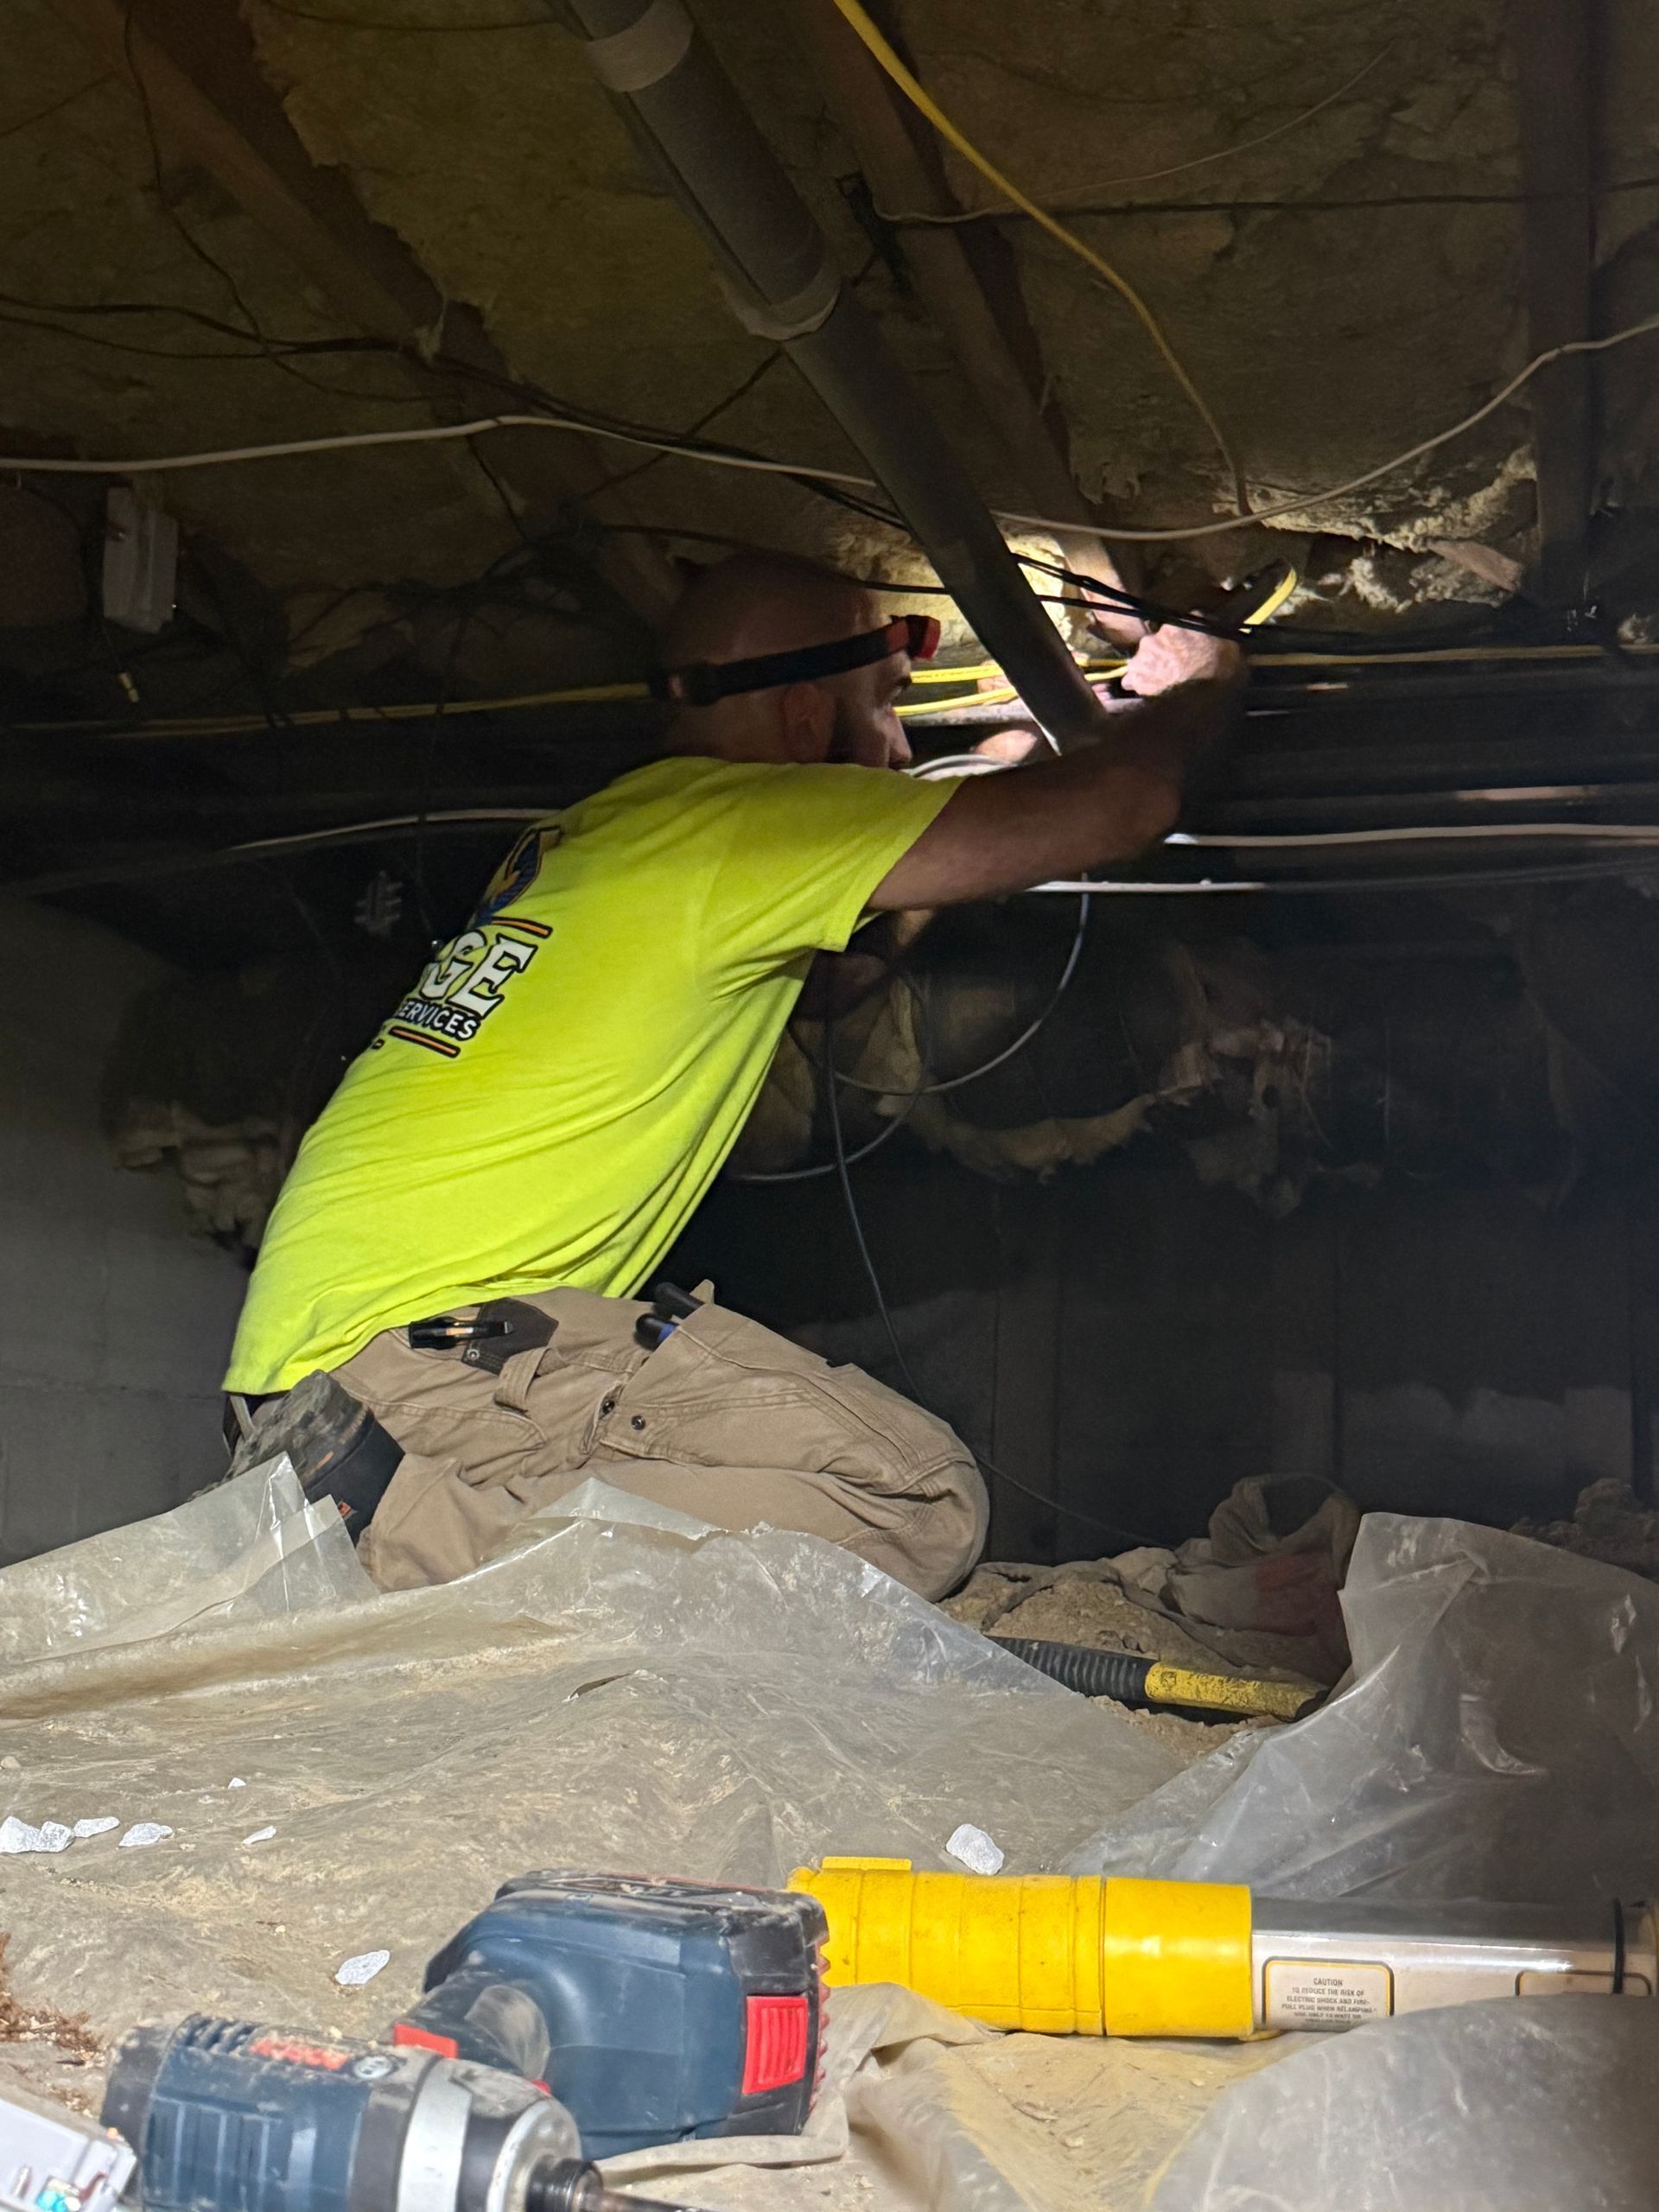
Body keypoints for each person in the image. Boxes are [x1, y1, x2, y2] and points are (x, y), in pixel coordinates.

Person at [225, 552, 1243, 1599]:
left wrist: (984, 781)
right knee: (914, 1495)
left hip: (358, 1358)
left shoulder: (611, 833)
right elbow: (1127, 800)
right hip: (425, 1356)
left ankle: (407, 1511)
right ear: (805, 722)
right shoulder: (741, 823)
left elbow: (822, 986)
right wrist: (1204, 679)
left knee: (713, 1492)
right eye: (887, 708)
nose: (901, 748)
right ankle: (420, 1527)